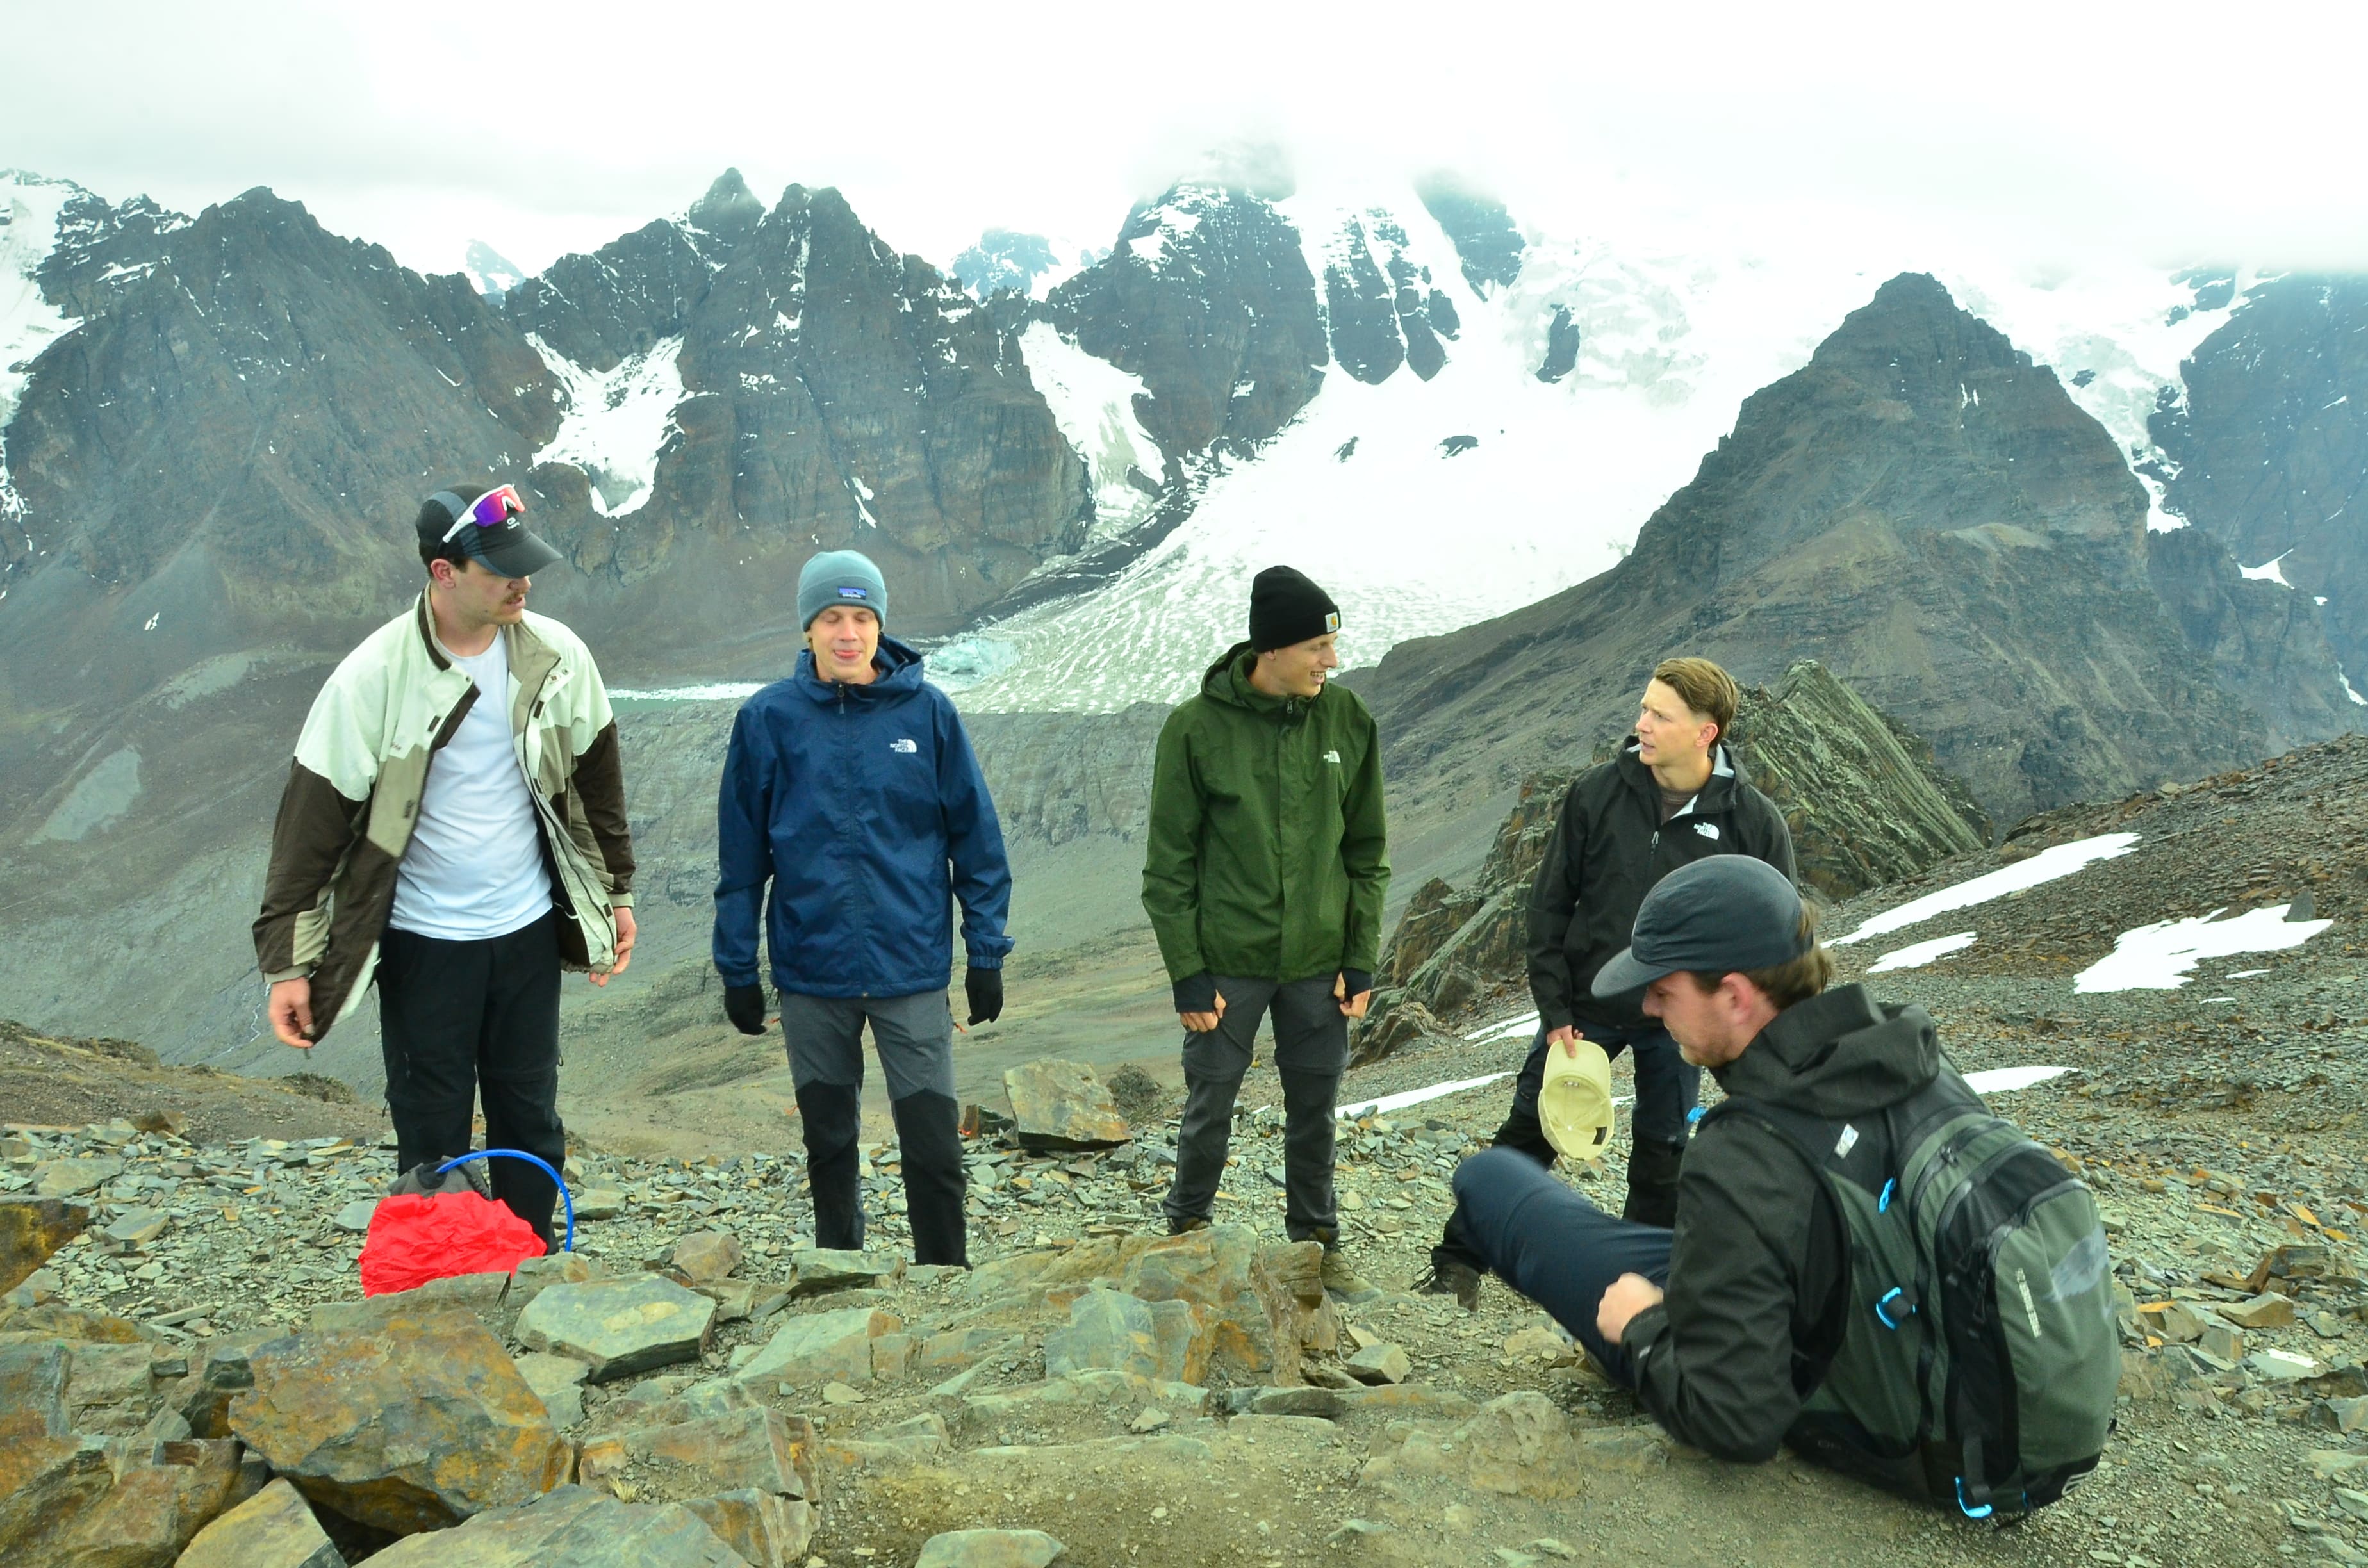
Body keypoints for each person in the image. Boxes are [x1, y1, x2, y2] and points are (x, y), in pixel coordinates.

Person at [1443, 855, 2115, 1510]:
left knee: (1491, 1179)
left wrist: (1644, 1326)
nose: (1647, 1006)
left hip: (1903, 1421)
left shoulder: (1747, 1149)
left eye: (1664, 990)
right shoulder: (1905, 1052)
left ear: (1736, 996)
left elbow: (1735, 1421)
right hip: (1957, 1366)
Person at [254, 483, 637, 1248]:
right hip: (423, 944)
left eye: (524, 565)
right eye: (500, 569)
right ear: (444, 572)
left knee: (530, 1113)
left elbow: (597, 782)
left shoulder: (558, 657)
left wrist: (615, 893)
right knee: (431, 1125)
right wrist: (288, 966)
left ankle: (530, 1264)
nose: (522, 582)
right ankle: (445, 1280)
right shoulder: (371, 678)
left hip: (526, 932)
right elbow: (309, 831)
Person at [1418, 657, 1793, 1307]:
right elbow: (1549, 906)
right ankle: (1457, 1266)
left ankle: (1637, 1294)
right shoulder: (1597, 793)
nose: (1640, 724)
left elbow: (1777, 935)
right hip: (1588, 1006)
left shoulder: (1751, 823)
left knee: (1663, 1154)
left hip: (1680, 1022)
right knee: (1531, 1129)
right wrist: (1555, 1008)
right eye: (1644, 708)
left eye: (1659, 715)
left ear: (1705, 733)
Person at [713, 549, 1012, 1269]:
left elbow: (977, 842)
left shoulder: (929, 714)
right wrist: (737, 968)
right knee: (829, 1143)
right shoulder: (768, 720)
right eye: (831, 618)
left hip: (911, 969)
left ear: (880, 625)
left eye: (861, 617)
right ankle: (841, 1276)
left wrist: (986, 953)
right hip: (812, 972)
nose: (847, 634)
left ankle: (945, 1278)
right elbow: (742, 859)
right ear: (808, 628)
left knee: (933, 1146)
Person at [1142, 565, 1389, 1300]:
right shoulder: (1195, 728)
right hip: (1228, 962)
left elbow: (1367, 853)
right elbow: (1168, 866)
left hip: (1319, 961)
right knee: (1211, 1099)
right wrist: (1188, 973)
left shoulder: (1348, 721)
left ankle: (1316, 1246)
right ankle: (1188, 1232)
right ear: (1272, 648)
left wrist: (1360, 959)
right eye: (1317, 646)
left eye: (1332, 645)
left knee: (1315, 1107)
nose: (1331, 661)